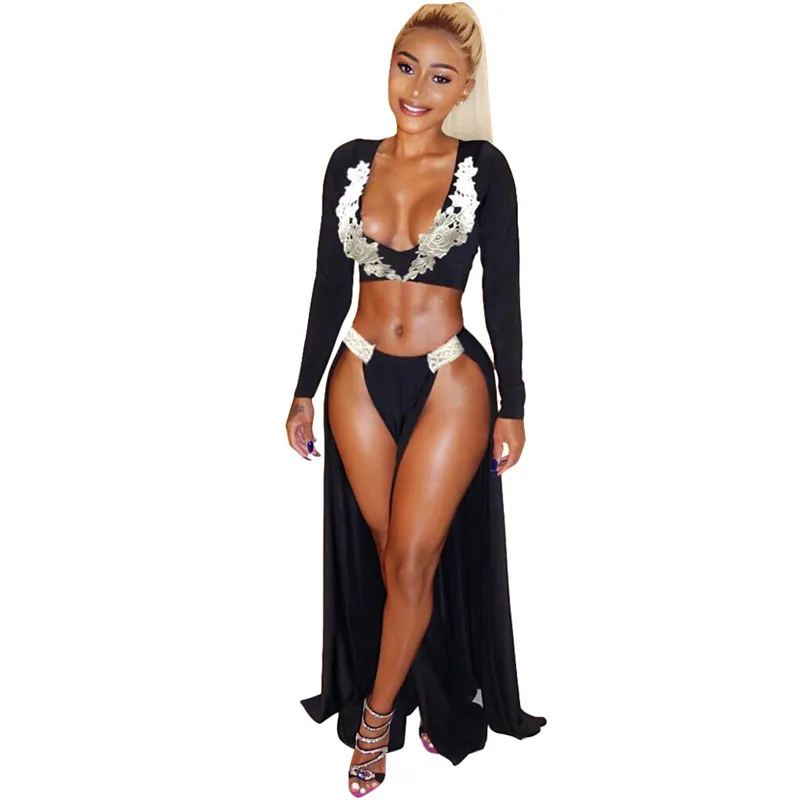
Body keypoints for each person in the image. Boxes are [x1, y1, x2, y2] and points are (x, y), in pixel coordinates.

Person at [286, 3, 546, 795]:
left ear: (465, 87)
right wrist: (302, 389)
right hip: (357, 374)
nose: (417, 89)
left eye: (440, 77)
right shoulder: (348, 164)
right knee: (387, 553)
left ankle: (374, 725)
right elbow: (330, 285)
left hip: (450, 379)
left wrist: (513, 403)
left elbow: (503, 291)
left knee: (412, 559)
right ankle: (430, 688)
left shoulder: (484, 170)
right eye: (407, 67)